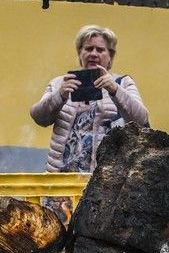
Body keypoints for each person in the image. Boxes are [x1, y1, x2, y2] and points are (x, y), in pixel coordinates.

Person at [30, 24, 149, 173]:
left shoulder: (122, 83)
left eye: (100, 50)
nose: (93, 54)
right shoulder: (61, 83)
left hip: (104, 181)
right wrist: (60, 95)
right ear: (80, 53)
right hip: (59, 181)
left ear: (110, 57)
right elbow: (39, 118)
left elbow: (141, 119)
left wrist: (114, 90)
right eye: (88, 49)